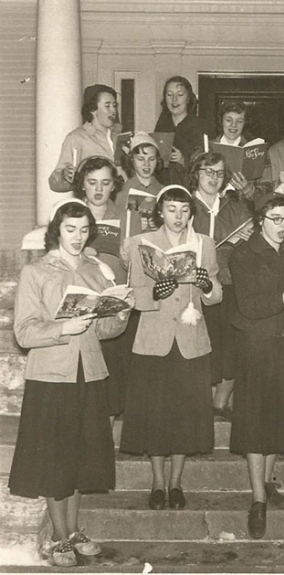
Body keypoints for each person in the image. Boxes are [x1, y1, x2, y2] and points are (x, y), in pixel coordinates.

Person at [9, 200, 132, 567]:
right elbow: (24, 332)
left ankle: (75, 531)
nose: (77, 237)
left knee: (82, 457)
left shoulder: (98, 271)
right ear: (56, 231)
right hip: (51, 376)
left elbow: (105, 331)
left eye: (82, 230)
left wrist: (121, 312)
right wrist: (63, 327)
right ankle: (60, 539)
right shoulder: (36, 272)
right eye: (69, 230)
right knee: (55, 459)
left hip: (90, 372)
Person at [119, 185, 222, 511]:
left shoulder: (204, 244)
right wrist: (156, 293)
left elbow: (216, 293)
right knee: (156, 416)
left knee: (184, 417)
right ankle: (157, 482)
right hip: (154, 340)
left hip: (191, 339)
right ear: (159, 212)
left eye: (184, 210)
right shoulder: (141, 244)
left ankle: (176, 483)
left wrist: (207, 284)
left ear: (191, 213)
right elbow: (133, 296)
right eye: (171, 210)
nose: (178, 217)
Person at [229, 195, 284, 540]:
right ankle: (258, 500)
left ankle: (266, 480)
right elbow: (248, 305)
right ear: (259, 220)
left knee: (277, 420)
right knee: (255, 424)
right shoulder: (243, 254)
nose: (282, 226)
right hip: (257, 346)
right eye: (275, 219)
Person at [187, 152, 253, 418]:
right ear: (196, 174)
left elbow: (249, 242)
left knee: (230, 345)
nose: (213, 178)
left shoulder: (233, 206)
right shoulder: (187, 205)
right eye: (207, 171)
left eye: (219, 173)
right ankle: (198, 401)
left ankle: (220, 402)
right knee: (200, 344)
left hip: (229, 282)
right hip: (196, 286)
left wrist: (242, 240)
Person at [73, 157, 138, 425]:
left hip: (113, 309)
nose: (98, 189)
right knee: (79, 387)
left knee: (110, 388)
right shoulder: (70, 216)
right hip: (79, 307)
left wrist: (128, 258)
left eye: (105, 183)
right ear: (83, 185)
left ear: (114, 186)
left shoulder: (126, 218)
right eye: (92, 183)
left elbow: (138, 271)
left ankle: (104, 450)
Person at [49, 84, 122, 192]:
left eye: (114, 105)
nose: (113, 111)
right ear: (93, 109)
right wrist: (65, 175)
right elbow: (54, 184)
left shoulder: (119, 136)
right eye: (107, 106)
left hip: (118, 206)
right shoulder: (76, 137)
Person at [154, 76, 210, 183]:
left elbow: (208, 164)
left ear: (188, 98)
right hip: (163, 188)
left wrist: (184, 160)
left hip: (190, 188)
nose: (174, 99)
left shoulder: (200, 126)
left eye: (180, 95)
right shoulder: (161, 125)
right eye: (169, 95)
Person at [116, 131, 166, 238]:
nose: (146, 164)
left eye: (151, 159)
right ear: (131, 160)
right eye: (140, 159)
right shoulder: (122, 192)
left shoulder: (163, 191)